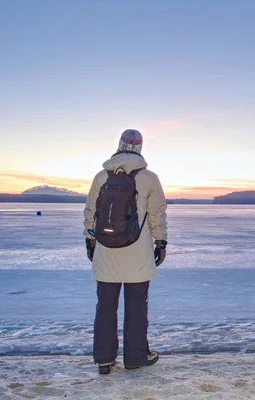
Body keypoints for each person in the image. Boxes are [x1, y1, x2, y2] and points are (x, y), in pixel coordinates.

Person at [83, 129, 168, 375]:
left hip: (106, 251)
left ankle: (104, 359)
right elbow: (157, 214)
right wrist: (160, 242)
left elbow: (90, 211)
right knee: (136, 306)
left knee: (106, 306)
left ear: (119, 145)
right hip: (137, 253)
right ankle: (136, 357)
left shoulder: (101, 176)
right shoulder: (149, 178)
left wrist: (90, 240)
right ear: (140, 148)